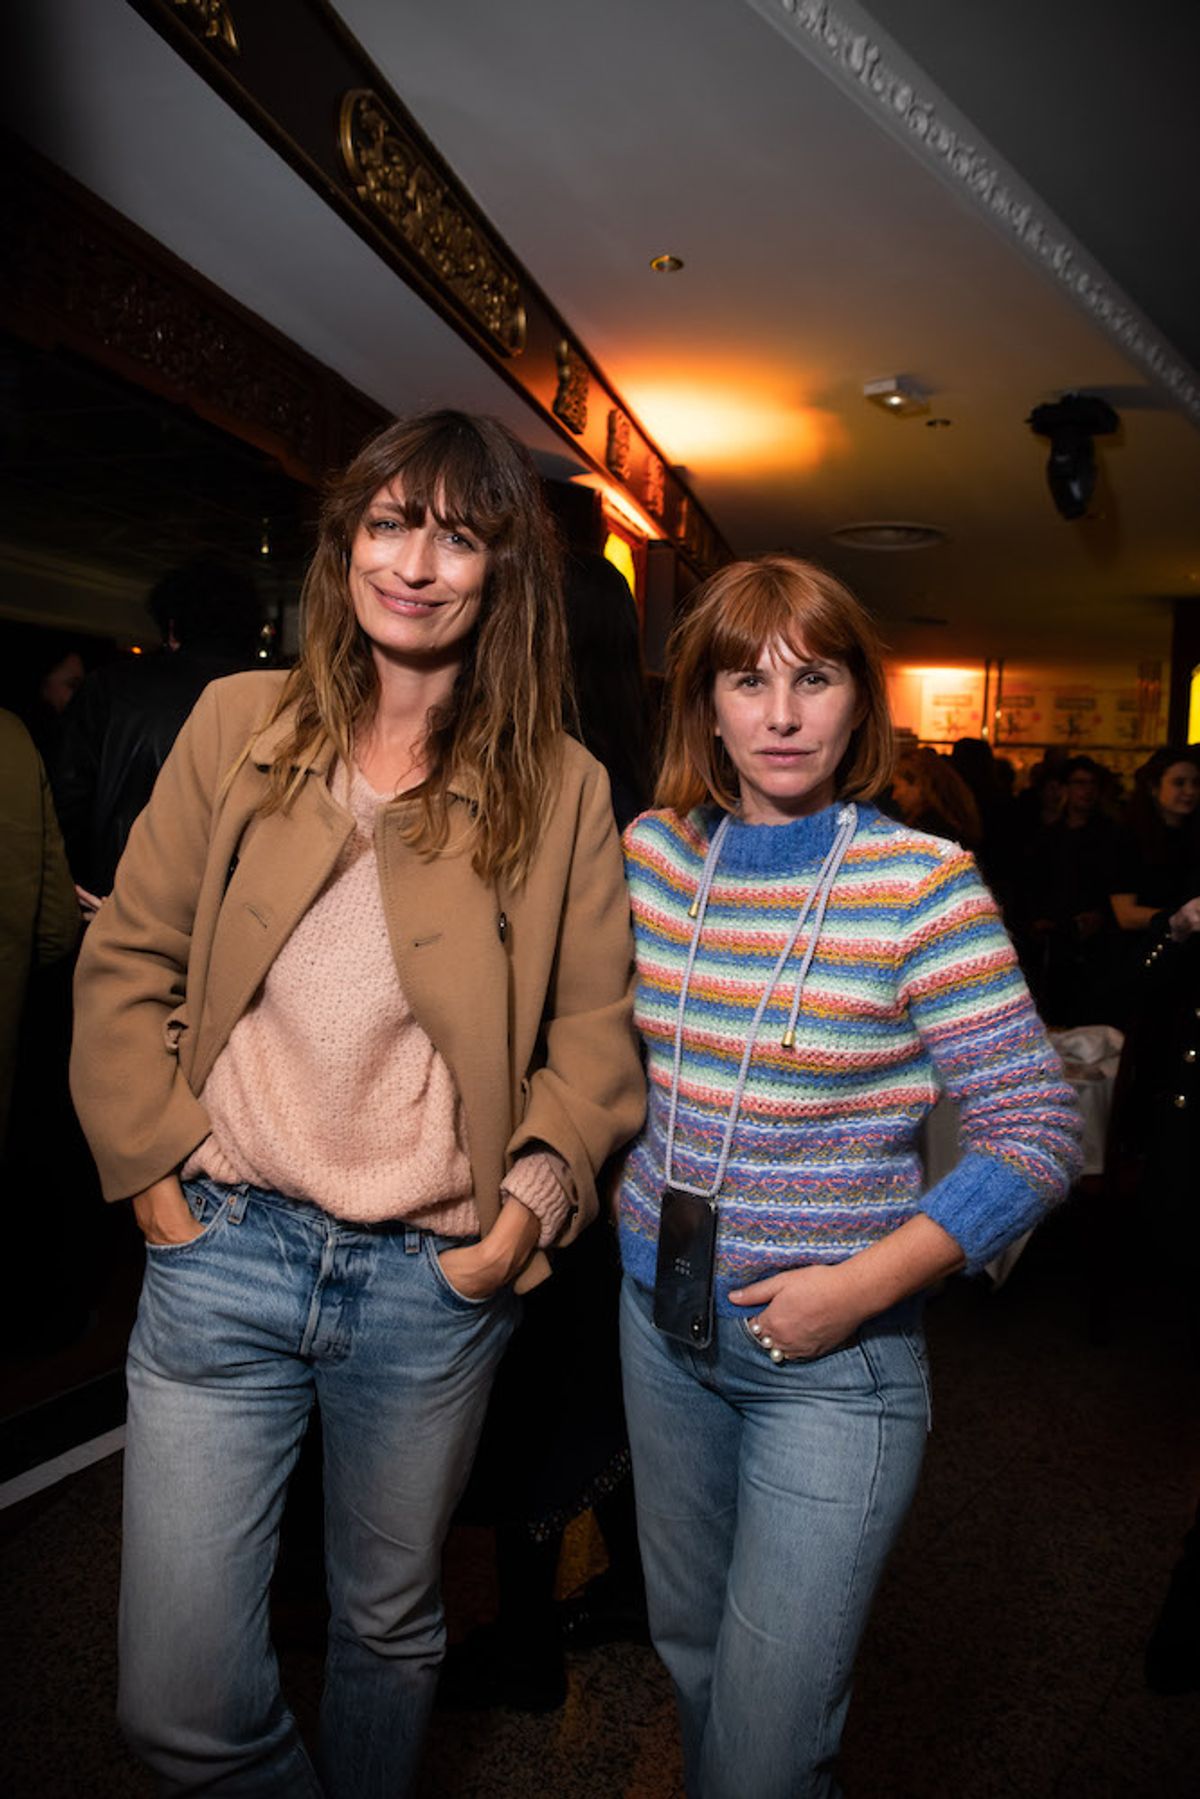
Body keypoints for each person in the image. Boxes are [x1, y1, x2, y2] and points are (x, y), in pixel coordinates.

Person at [69, 409, 645, 1797]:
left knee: (387, 1624)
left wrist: (520, 1218)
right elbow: (127, 954)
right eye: (390, 523)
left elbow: (592, 1037)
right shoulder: (234, 722)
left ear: (504, 571)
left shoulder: (560, 785)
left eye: (459, 534)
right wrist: (158, 1179)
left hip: (428, 1280)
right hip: (222, 1249)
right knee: (178, 1704)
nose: (418, 561)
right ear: (345, 548)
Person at [616, 555, 1081, 1799]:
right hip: (660, 1323)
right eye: (746, 679)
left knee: (770, 1749)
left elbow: (1038, 1128)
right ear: (703, 704)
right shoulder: (653, 860)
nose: (780, 713)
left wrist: (864, 1286)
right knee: (695, 1659)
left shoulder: (922, 885)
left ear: (856, 701)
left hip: (834, 1363)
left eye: (812, 679)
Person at [54, 555, 264, 902]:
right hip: (237, 908)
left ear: (171, 626)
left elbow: (67, 804)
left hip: (119, 897)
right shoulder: (281, 698)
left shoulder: (110, 689)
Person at [887, 743, 980, 845]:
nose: (894, 796)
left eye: (896, 787)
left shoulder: (928, 829)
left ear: (919, 785)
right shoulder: (951, 818)